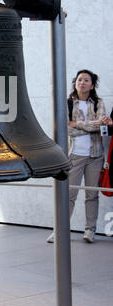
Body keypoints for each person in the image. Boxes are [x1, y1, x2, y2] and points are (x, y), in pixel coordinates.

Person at [47, 69, 107, 244]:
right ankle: (59, 231)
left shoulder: (98, 102)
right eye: (79, 79)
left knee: (92, 195)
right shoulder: (66, 103)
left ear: (92, 84)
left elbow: (100, 126)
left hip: (95, 156)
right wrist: (89, 124)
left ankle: (90, 230)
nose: (82, 82)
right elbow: (66, 128)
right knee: (68, 195)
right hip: (74, 156)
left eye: (86, 80)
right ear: (75, 82)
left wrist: (77, 124)